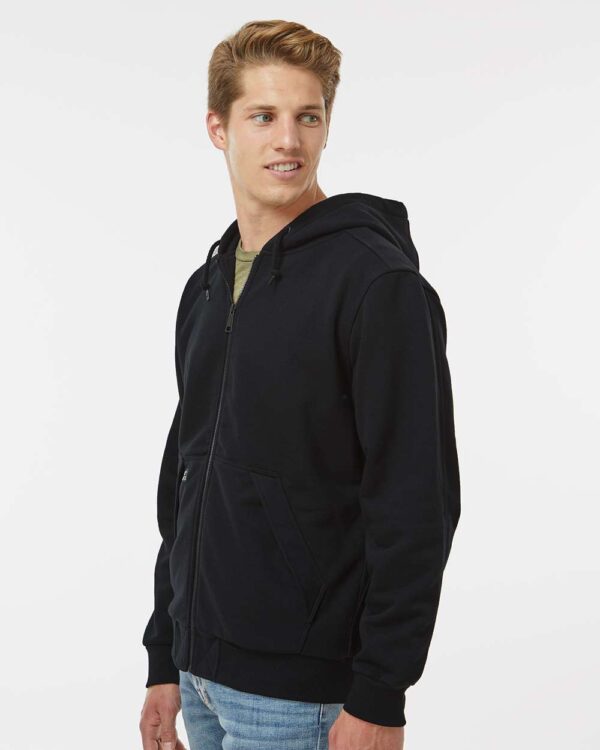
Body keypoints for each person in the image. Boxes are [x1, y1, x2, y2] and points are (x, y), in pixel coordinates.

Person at [139, 18, 460, 750]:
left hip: (304, 699)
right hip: (198, 675)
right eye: (263, 116)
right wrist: (165, 653)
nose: (288, 140)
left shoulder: (376, 285)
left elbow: (417, 501)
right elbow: (185, 482)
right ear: (218, 128)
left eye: (307, 117)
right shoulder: (208, 286)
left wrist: (380, 693)